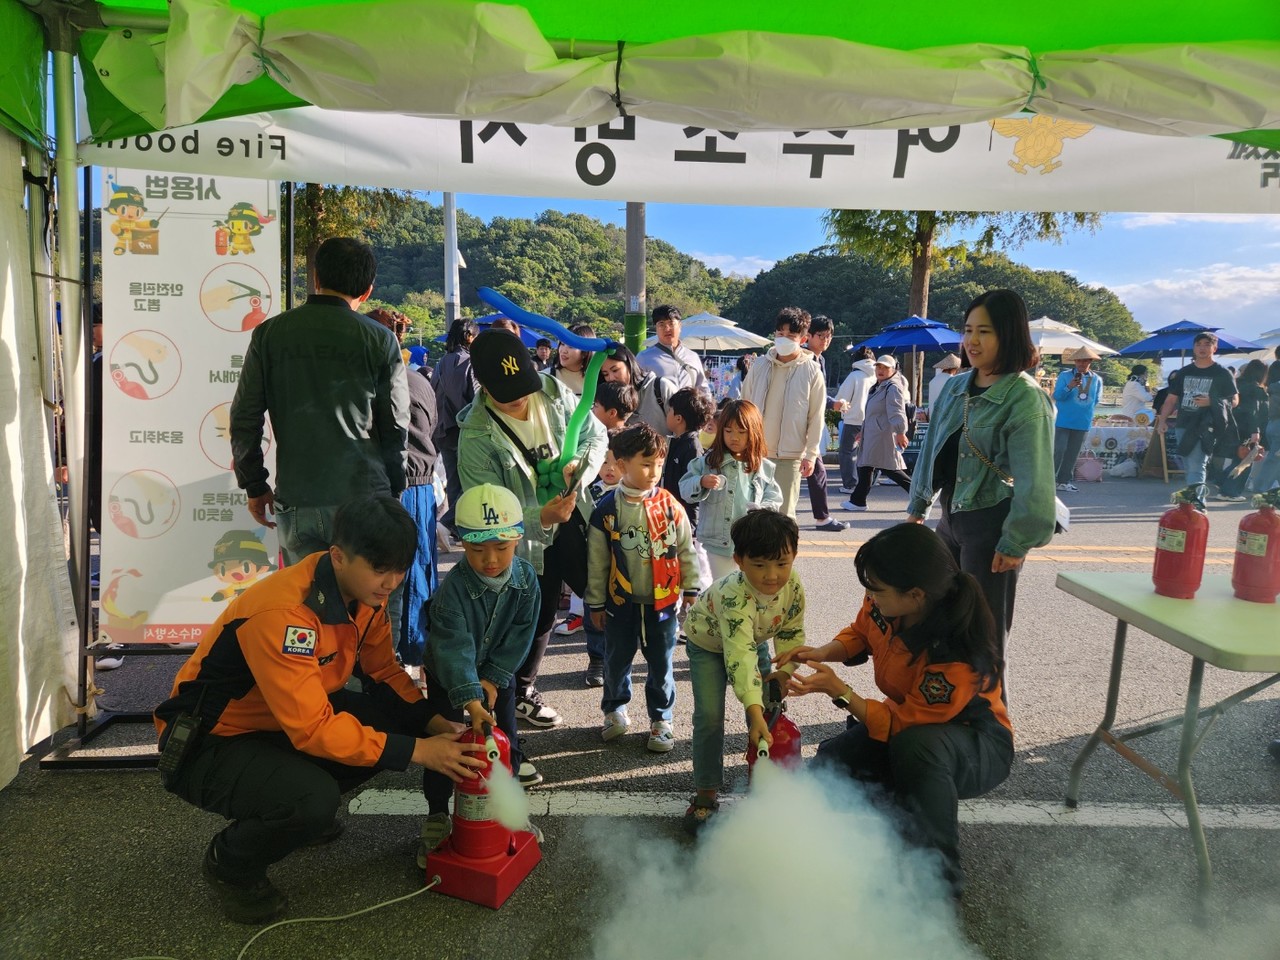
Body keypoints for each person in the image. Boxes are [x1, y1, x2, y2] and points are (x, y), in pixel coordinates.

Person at [153, 496, 486, 925]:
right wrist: (422, 751)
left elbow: (382, 671)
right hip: (208, 740)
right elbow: (312, 729)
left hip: (279, 719)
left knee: (387, 726)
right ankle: (230, 862)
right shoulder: (285, 613)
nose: (391, 582)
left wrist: (433, 722)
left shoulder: (364, 593)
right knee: (314, 798)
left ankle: (292, 811)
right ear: (338, 557)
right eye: (379, 568)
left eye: (399, 569)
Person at [778, 522, 1012, 896]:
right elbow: (860, 634)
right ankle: (889, 834)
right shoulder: (885, 600)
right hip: (911, 728)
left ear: (916, 595)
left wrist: (840, 691)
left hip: (973, 747)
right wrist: (824, 652)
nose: (869, 595)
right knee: (831, 765)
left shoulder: (955, 652)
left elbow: (903, 725)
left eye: (876, 589)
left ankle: (937, 883)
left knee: (917, 750)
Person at [457, 329, 607, 732]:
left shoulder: (552, 391)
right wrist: (539, 516)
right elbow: (486, 506)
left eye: (525, 385)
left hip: (573, 517)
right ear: (484, 387)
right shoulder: (475, 435)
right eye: (508, 394)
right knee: (532, 616)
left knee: (604, 594)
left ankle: (613, 677)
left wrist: (582, 466)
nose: (522, 398)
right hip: (524, 541)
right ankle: (516, 693)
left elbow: (596, 434)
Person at [230, 237, 409, 565]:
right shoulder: (380, 339)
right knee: (365, 607)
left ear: (316, 278)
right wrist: (395, 487)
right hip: (366, 496)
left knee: (304, 606)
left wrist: (255, 484)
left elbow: (244, 416)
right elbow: (395, 423)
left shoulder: (270, 334)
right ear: (367, 291)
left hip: (299, 497)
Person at [906, 289, 1056, 660]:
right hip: (951, 517)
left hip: (993, 524)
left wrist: (1015, 541)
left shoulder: (1025, 398)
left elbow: (1035, 480)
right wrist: (918, 505)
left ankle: (990, 714)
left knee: (983, 631)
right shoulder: (957, 386)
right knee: (940, 619)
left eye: (984, 331)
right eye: (968, 329)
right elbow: (930, 452)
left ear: (1008, 334)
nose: (972, 341)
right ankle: (943, 707)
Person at [419, 483, 541, 857]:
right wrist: (472, 700)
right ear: (462, 543)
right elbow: (455, 650)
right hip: (450, 680)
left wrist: (492, 679)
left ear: (518, 540)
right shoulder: (452, 592)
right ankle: (437, 815)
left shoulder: (526, 580)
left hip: (495, 676)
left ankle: (509, 811)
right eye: (477, 549)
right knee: (449, 747)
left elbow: (521, 635)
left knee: (506, 741)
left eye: (501, 548)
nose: (490, 558)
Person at [680, 509, 806, 834]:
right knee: (709, 716)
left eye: (781, 563)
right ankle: (706, 794)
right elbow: (741, 657)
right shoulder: (734, 596)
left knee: (770, 711)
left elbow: (791, 630)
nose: (772, 575)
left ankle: (765, 783)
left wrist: (786, 671)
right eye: (759, 565)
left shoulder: (792, 585)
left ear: (793, 555)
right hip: (708, 644)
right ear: (738, 559)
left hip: (754, 639)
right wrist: (754, 709)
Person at [587, 423, 705, 752]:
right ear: (622, 465)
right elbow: (597, 563)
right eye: (645, 463)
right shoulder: (608, 510)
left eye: (658, 464)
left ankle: (661, 719)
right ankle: (614, 710)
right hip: (619, 603)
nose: (653, 472)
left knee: (661, 663)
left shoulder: (670, 506)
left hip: (663, 604)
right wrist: (595, 603)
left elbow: (686, 550)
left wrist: (691, 588)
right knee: (616, 659)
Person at [366, 308, 439, 670]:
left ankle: (400, 663)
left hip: (396, 485)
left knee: (395, 576)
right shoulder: (419, 379)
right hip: (422, 486)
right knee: (420, 574)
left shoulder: (377, 380)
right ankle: (417, 658)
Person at [679, 399, 783, 581]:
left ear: (754, 433)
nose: (734, 437)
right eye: (728, 431)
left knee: (746, 590)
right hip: (717, 543)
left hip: (750, 542)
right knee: (723, 589)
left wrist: (764, 510)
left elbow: (774, 497)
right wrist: (701, 481)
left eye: (741, 432)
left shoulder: (761, 466)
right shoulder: (710, 462)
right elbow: (684, 488)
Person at [741, 307, 826, 520]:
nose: (784, 339)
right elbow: (743, 406)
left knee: (784, 516)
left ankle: (784, 554)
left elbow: (816, 416)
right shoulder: (760, 365)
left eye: (791, 335)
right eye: (780, 334)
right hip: (756, 453)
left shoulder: (812, 371)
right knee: (752, 513)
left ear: (803, 338)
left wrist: (811, 454)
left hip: (791, 456)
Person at [1155, 331, 1240, 502]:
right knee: (1189, 463)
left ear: (1214, 348)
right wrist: (1162, 421)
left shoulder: (1222, 372)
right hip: (1183, 423)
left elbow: (1235, 400)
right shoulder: (1184, 372)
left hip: (1207, 424)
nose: (1202, 348)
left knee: (1197, 463)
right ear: (1193, 348)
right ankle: (1193, 498)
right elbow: (1171, 399)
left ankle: (1196, 502)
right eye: (1199, 344)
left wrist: (1212, 401)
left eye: (1207, 344)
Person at [843, 355, 912, 511]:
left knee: (889, 468)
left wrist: (901, 432)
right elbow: (872, 413)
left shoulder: (892, 387)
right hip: (875, 433)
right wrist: (863, 431)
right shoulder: (880, 385)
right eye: (878, 367)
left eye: (885, 368)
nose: (880, 370)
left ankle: (921, 496)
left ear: (893, 369)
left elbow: (897, 412)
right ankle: (858, 501)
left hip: (883, 435)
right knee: (867, 466)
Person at [802, 315, 850, 532]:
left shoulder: (819, 359)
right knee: (815, 470)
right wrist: (834, 404)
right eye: (820, 335)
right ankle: (822, 518)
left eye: (829, 336)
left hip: (810, 423)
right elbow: (810, 393)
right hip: (801, 424)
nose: (825, 340)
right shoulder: (804, 358)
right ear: (808, 336)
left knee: (815, 470)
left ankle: (822, 517)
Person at [433, 317, 480, 537]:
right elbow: (476, 399)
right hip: (464, 429)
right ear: (469, 336)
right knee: (470, 480)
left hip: (442, 430)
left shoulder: (440, 363)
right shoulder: (470, 363)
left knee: (453, 481)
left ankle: (456, 527)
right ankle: (449, 523)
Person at [1051, 346, 1104, 492]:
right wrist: (1070, 387)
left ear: (1090, 361)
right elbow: (1057, 396)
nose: (1081, 364)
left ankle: (1064, 481)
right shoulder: (1065, 375)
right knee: (1059, 450)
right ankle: (1050, 480)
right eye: (1078, 361)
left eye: (1084, 361)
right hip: (1063, 420)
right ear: (1074, 362)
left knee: (1073, 453)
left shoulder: (1096, 379)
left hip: (1083, 421)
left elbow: (1096, 399)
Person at [663, 386, 716, 530]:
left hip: (685, 519)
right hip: (670, 512)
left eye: (669, 411)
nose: (667, 414)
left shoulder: (692, 447)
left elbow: (692, 489)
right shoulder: (676, 442)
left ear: (678, 418)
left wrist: (691, 524)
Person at [1216, 358, 1268, 500]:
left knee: (1237, 457)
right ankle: (1230, 491)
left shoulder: (1236, 384)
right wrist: (1255, 431)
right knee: (1245, 460)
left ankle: (1221, 481)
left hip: (1232, 426)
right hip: (1248, 428)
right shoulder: (1256, 389)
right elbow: (1254, 411)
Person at [599, 343, 675, 435]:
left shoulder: (661, 387)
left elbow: (684, 428)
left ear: (629, 365)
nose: (611, 378)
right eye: (605, 374)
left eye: (615, 370)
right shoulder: (606, 401)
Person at [637, 305, 710, 394]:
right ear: (656, 328)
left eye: (671, 323)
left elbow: (703, 390)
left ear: (680, 326)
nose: (667, 329)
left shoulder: (692, 357)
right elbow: (636, 392)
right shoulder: (644, 358)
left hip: (687, 407)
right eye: (661, 324)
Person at [834, 346, 877, 493]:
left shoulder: (854, 376)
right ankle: (870, 481)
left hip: (854, 419)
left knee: (847, 452)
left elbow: (841, 399)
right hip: (872, 420)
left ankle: (850, 484)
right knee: (869, 453)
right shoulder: (877, 375)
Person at [550, 323, 595, 395]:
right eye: (562, 344)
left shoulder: (596, 379)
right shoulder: (548, 376)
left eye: (571, 346)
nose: (564, 350)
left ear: (585, 352)